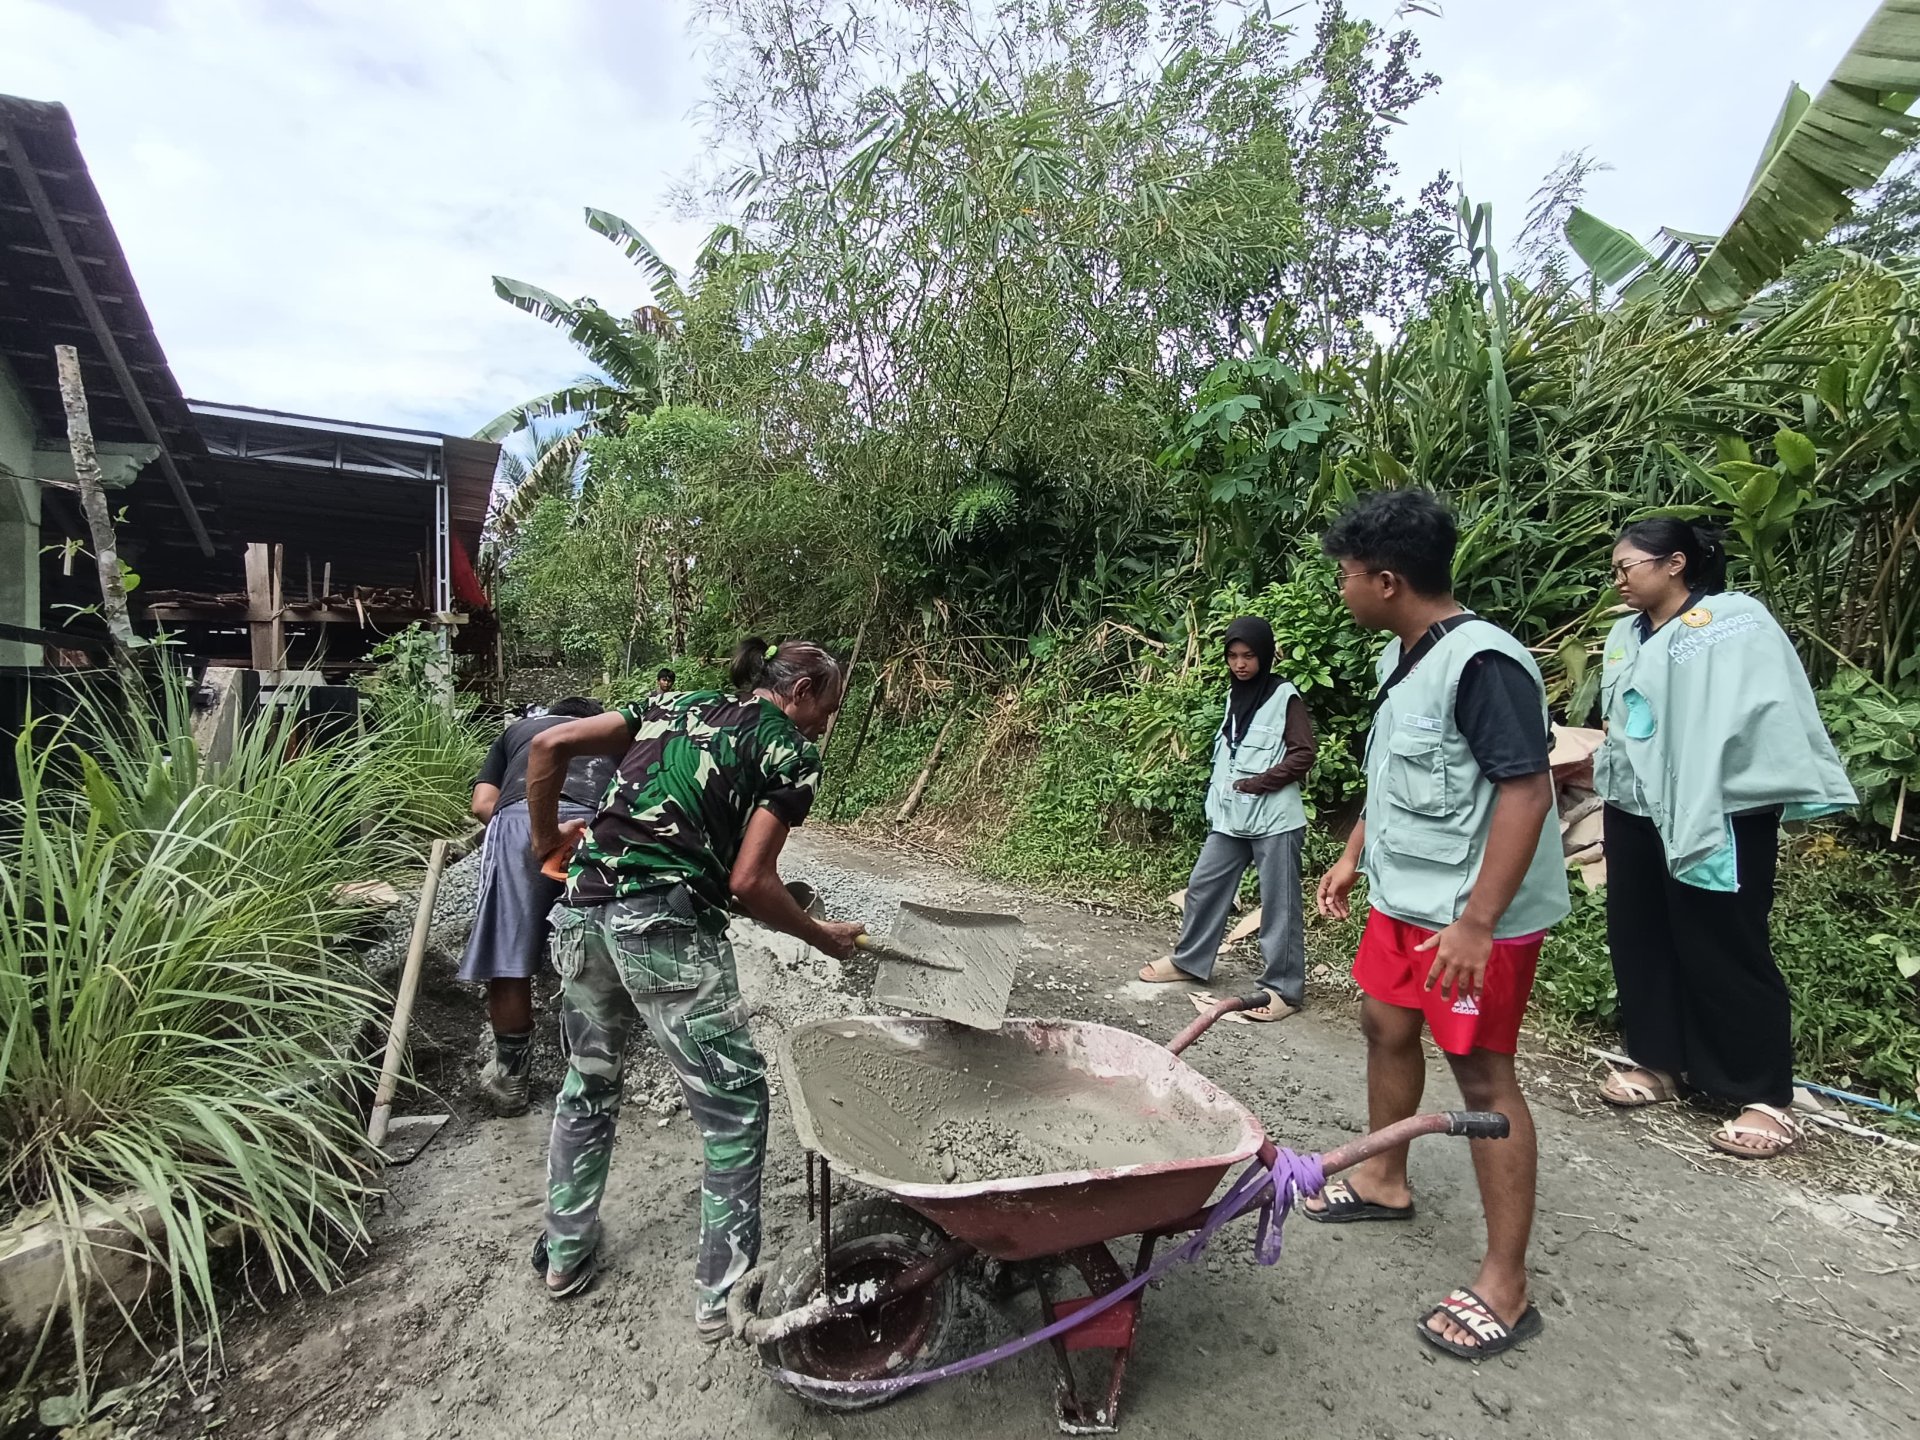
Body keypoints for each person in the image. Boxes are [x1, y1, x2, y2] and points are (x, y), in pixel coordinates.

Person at [521, 637, 866, 1337]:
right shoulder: (791, 753)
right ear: (799, 693)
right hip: (665, 933)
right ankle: (723, 1298)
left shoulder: (671, 702)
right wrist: (818, 934)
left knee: (588, 1086)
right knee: (735, 1107)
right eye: (827, 709)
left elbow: (549, 746)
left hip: (583, 917)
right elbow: (748, 882)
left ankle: (563, 1256)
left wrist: (544, 843)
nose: (825, 725)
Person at [1308, 489, 1569, 1363]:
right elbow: (1400, 780)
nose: (1339, 589)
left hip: (1469, 921)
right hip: (1404, 903)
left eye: (1345, 576)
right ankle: (1384, 1178)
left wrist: (1479, 923)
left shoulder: (1484, 665)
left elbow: (1527, 791)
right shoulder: (1409, 658)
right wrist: (1353, 854)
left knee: (1484, 1079)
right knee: (1382, 1023)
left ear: (1388, 580)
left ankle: (1507, 1281)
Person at [1592, 518, 1854, 1158]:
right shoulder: (1625, 633)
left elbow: (1763, 711)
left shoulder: (1734, 623)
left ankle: (1764, 1095)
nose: (1618, 580)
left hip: (1721, 810)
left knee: (1724, 942)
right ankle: (1660, 1063)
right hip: (1636, 807)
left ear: (1675, 563)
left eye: (1628, 567)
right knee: (1641, 934)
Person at [1136, 615, 1317, 1021]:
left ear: (1265, 656)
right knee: (1203, 887)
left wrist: (1262, 782)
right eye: (1233, 656)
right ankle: (1190, 961)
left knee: (1279, 906)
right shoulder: (1234, 695)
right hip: (1233, 818)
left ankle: (1283, 991)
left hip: (1274, 819)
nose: (1240, 664)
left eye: (1249, 656)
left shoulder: (1284, 696)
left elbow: (1304, 753)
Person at [460, 697, 616, 1116]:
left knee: (507, 950)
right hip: (598, 825)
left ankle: (512, 1080)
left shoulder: (515, 732)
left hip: (519, 820)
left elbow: (481, 806)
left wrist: (534, 826)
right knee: (598, 943)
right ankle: (594, 1074)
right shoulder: (613, 730)